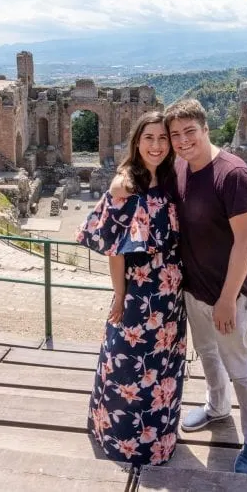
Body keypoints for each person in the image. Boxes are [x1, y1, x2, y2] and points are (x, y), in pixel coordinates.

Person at [111, 99, 247, 474]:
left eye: (188, 132)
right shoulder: (180, 168)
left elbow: (246, 242)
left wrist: (228, 298)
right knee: (208, 354)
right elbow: (138, 180)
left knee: (239, 363)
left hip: (229, 293)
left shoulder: (233, 174)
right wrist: (118, 180)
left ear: (205, 128)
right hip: (193, 289)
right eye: (175, 135)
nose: (181, 141)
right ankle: (216, 408)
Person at [76, 112, 187, 467]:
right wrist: (120, 295)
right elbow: (114, 249)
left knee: (163, 370)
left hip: (171, 293)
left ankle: (158, 441)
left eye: (162, 139)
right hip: (139, 293)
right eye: (148, 138)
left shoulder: (172, 181)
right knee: (125, 366)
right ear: (136, 142)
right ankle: (120, 438)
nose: (156, 145)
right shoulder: (124, 186)